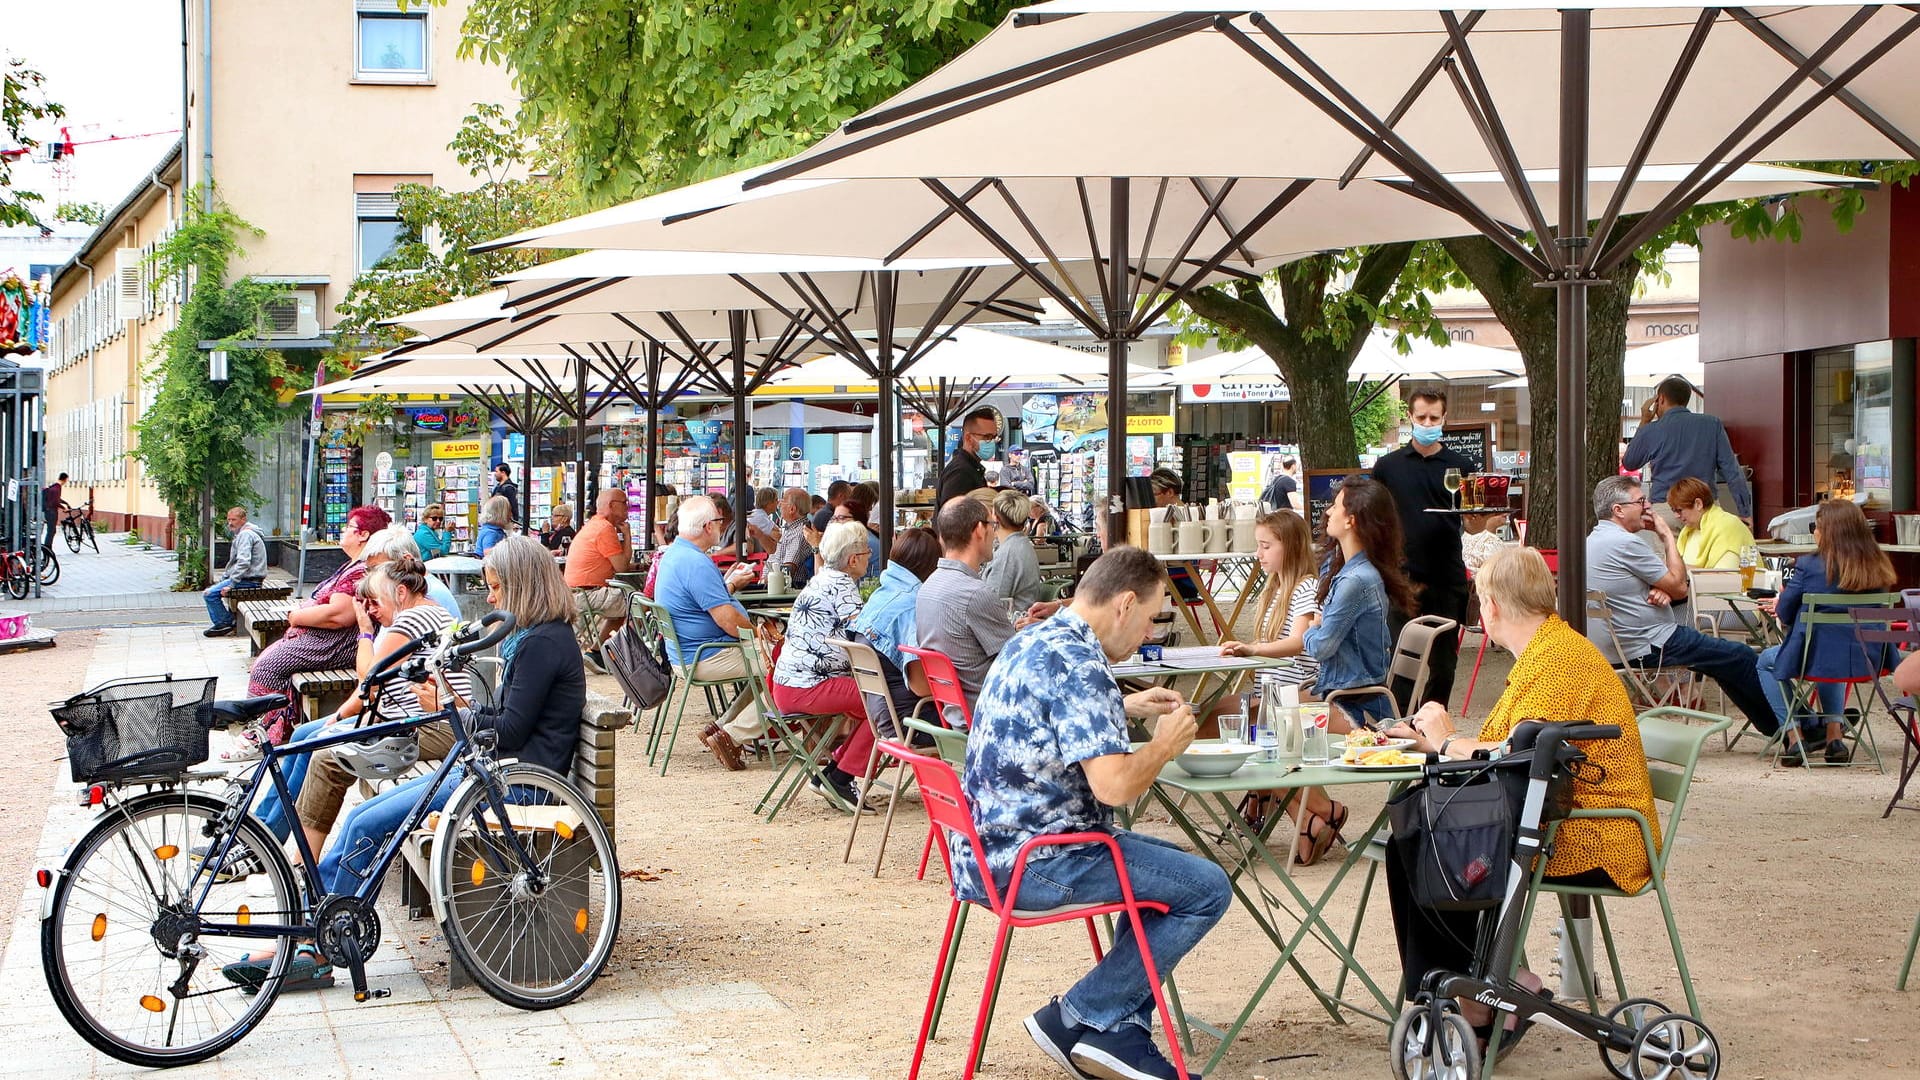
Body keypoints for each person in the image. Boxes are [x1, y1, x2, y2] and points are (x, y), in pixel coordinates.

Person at [958, 546, 1229, 1080]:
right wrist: (1165, 746)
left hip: (984, 851)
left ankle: (1118, 1034)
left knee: (1169, 874)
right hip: (1040, 861)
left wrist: (1120, 707)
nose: (1149, 633)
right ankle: (1077, 1016)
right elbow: (1115, 788)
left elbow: (1050, 709)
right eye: (1151, 617)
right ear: (1125, 603)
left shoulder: (1037, 639)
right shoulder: (1084, 667)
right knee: (1206, 888)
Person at [1386, 545, 1661, 1052]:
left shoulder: (1558, 662)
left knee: (1436, 841)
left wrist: (1445, 741)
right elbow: (1513, 752)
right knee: (1417, 833)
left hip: (1593, 833)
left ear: (1489, 606)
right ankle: (1466, 989)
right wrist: (1440, 743)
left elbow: (1518, 758)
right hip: (1558, 820)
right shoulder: (1547, 652)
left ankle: (1473, 997)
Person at [315, 536, 583, 900]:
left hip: (517, 782)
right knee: (360, 819)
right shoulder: (537, 637)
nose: (490, 598)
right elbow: (508, 718)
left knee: (367, 824)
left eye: (496, 588)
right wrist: (453, 707)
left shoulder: (542, 644)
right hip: (498, 772)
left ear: (522, 586)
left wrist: (454, 711)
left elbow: (511, 730)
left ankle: (327, 934)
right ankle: (319, 914)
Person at [1585, 476, 1779, 736]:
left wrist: (1664, 586)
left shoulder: (1590, 542)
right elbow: (1678, 585)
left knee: (1721, 660)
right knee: (1741, 656)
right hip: (1651, 642)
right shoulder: (1627, 543)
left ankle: (1783, 726)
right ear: (1618, 510)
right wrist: (1666, 535)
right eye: (1640, 501)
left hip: (1616, 645)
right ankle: (1788, 726)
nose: (1647, 507)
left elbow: (1668, 583)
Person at [1756, 498, 1897, 765]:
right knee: (1830, 652)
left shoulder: (1809, 565)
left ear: (1829, 531)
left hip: (1820, 655)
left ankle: (1795, 738)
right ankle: (1834, 737)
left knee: (1766, 661)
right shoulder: (1879, 564)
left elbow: (1784, 614)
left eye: (1816, 526)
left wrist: (1782, 602)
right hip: (1869, 658)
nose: (1814, 532)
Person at [239, 505, 389, 756]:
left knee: (268, 666)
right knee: (267, 661)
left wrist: (296, 616)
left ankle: (264, 734)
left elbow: (338, 615)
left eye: (348, 527)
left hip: (338, 643)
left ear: (363, 535)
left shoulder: (361, 569)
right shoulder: (353, 565)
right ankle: (270, 727)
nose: (343, 532)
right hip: (327, 639)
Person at [1370, 389, 1473, 710]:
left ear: (1444, 419)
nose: (1427, 423)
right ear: (1410, 419)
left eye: (1433, 418)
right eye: (1421, 417)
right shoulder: (1388, 466)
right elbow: (1375, 518)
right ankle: (1401, 725)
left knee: (1443, 667)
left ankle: (1430, 725)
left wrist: (1488, 518)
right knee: (1403, 664)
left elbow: (1471, 524)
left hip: (1447, 579)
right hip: (1403, 581)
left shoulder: (1460, 465)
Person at [772, 522, 875, 811]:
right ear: (853, 559)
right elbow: (863, 640)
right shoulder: (842, 587)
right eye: (867, 552)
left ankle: (836, 771)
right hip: (807, 687)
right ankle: (841, 776)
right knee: (883, 703)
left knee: (871, 702)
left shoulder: (822, 578)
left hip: (790, 684)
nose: (870, 557)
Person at [655, 497, 760, 770]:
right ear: (706, 527)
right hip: (706, 655)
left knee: (772, 668)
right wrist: (759, 636)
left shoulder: (676, 554)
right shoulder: (695, 563)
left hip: (688, 652)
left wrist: (728, 587)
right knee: (785, 668)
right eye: (718, 521)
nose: (721, 526)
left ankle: (723, 728)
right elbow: (727, 620)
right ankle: (732, 735)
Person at [1306, 476, 1415, 737]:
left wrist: (1310, 630)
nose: (1328, 511)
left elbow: (1321, 648)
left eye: (1335, 505)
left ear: (1351, 520)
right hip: (1348, 693)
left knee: (1265, 716)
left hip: (1354, 704)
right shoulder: (1350, 568)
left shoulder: (1355, 579)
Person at [916, 496, 1019, 719]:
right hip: (990, 717)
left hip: (954, 713)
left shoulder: (927, 587)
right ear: (980, 530)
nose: (995, 533)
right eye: (993, 525)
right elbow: (1017, 660)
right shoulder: (974, 594)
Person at [1622, 375, 1753, 527]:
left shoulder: (1652, 430)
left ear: (1661, 399)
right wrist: (1745, 511)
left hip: (1667, 507)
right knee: (1710, 551)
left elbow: (1630, 462)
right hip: (1704, 508)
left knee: (1668, 550)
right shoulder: (1712, 424)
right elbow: (1732, 470)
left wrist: (1644, 422)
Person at [849, 527, 941, 737]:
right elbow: (919, 686)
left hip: (882, 714)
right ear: (931, 566)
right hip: (911, 722)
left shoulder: (880, 594)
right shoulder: (911, 606)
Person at [564, 486, 635, 668]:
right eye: (624, 504)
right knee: (637, 604)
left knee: (622, 603)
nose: (628, 507)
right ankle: (630, 656)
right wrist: (627, 535)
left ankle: (597, 652)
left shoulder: (594, 525)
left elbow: (618, 564)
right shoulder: (605, 529)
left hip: (576, 593)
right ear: (612, 505)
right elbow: (623, 568)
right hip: (586, 594)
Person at [363, 528, 460, 618]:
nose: (372, 576)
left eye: (377, 569)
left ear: (407, 560)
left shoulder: (425, 593)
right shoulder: (420, 588)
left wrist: (365, 631)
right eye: (369, 570)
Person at [203, 506, 268, 637]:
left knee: (209, 594)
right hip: (248, 579)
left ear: (243, 519)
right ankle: (226, 622)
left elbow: (243, 562)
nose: (230, 523)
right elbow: (233, 563)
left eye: (234, 519)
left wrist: (230, 584)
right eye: (228, 520)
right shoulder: (243, 534)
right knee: (214, 590)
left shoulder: (246, 535)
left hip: (249, 580)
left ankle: (226, 623)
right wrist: (224, 579)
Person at [1668, 475, 1755, 569]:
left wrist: (1679, 570)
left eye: (1679, 510)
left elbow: (1723, 575)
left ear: (1698, 504)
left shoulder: (1728, 526)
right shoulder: (1689, 531)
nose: (1676, 516)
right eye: (1674, 511)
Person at [982, 489, 1045, 611]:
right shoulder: (1021, 544)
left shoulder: (1007, 555)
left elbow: (992, 606)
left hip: (1009, 625)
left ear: (995, 517)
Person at [937, 407, 999, 505]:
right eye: (987, 437)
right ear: (969, 438)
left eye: (994, 437)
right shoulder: (960, 472)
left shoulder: (972, 468)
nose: (991, 442)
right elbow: (951, 515)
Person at [771, 487, 813, 587]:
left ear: (792, 509)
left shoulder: (798, 533)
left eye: (783, 500)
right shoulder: (791, 529)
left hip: (791, 588)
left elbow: (788, 569)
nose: (779, 503)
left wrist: (769, 579)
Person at [745, 486, 782, 555]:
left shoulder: (757, 513)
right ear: (768, 503)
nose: (778, 502)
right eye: (776, 500)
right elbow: (779, 536)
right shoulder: (760, 517)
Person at [42, 471, 66, 549]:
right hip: (52, 512)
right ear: (64, 479)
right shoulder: (57, 488)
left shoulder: (53, 487)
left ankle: (48, 547)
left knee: (51, 530)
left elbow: (56, 499)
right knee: (51, 531)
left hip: (48, 511)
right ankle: (47, 548)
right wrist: (63, 507)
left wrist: (65, 503)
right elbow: (56, 501)